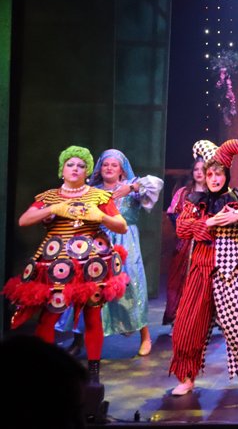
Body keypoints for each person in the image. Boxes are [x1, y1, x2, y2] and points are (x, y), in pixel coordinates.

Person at [3, 146, 129, 385]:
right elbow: (24, 220)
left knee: (93, 315)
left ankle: (93, 373)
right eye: (70, 164)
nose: (75, 169)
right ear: (62, 169)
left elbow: (121, 226)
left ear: (87, 171)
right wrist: (53, 209)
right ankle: (45, 370)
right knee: (48, 317)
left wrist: (101, 216)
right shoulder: (49, 196)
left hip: (90, 266)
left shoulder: (98, 196)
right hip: (56, 265)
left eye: (81, 166)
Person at [168, 139, 238, 396]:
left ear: (226, 174)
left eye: (219, 174)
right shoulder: (195, 200)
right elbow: (182, 228)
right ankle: (187, 376)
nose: (214, 179)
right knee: (187, 325)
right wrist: (210, 223)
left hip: (231, 271)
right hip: (201, 268)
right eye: (210, 174)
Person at [84, 149, 162, 357]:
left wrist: (132, 187)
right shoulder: (93, 190)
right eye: (106, 164)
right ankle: (80, 338)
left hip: (126, 242)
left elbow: (156, 183)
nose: (109, 168)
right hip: (100, 242)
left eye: (114, 165)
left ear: (121, 170)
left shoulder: (132, 187)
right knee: (92, 287)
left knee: (132, 285)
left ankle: (144, 336)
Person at [163, 159, 206, 326]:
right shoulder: (183, 192)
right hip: (185, 243)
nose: (199, 173)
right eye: (196, 169)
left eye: (203, 169)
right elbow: (173, 214)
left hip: (205, 244)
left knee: (202, 282)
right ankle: (178, 320)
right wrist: (187, 228)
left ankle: (200, 321)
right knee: (179, 280)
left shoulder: (213, 193)